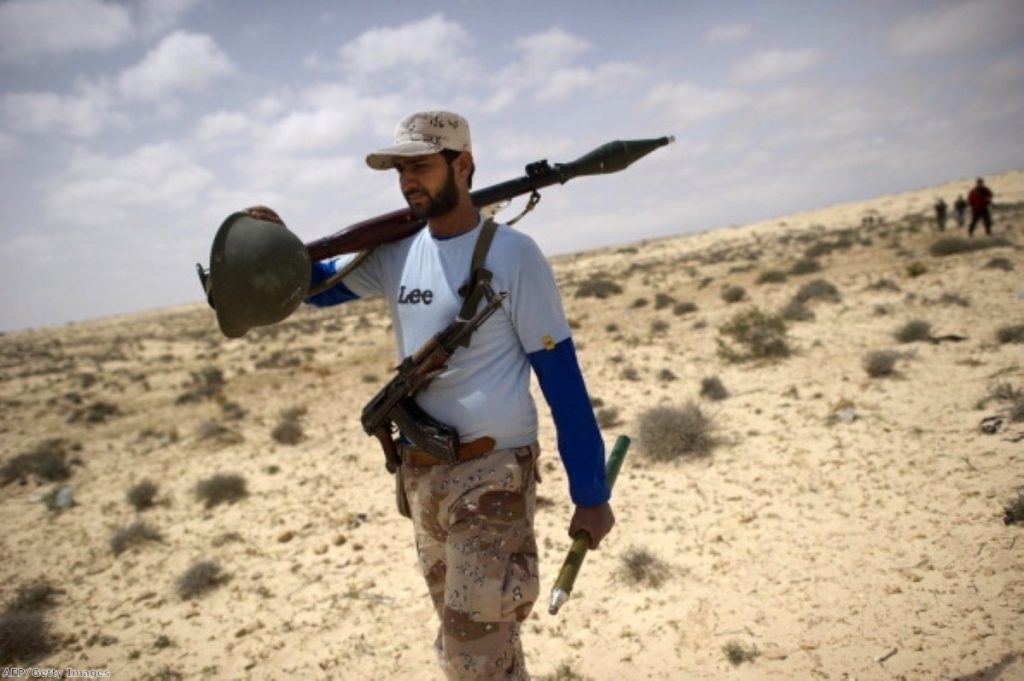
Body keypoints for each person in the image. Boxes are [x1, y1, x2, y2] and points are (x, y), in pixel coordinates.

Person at [303, 111, 615, 680]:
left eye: (420, 165)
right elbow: (313, 288)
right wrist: (267, 247)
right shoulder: (395, 254)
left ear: (463, 165)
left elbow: (562, 381)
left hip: (492, 475)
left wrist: (590, 491)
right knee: (476, 653)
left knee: (473, 655)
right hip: (421, 478)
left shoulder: (514, 255)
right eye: (401, 169)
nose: (407, 181)